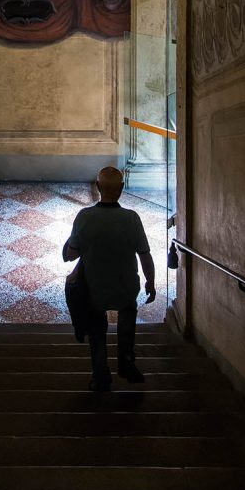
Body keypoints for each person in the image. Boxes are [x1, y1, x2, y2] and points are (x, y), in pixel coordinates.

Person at [63, 166, 156, 391]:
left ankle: (101, 375)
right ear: (122, 189)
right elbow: (145, 255)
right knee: (127, 319)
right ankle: (126, 362)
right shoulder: (132, 218)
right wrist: (150, 283)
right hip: (126, 287)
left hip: (94, 288)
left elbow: (70, 255)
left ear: (97, 187)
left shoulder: (85, 218)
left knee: (97, 332)